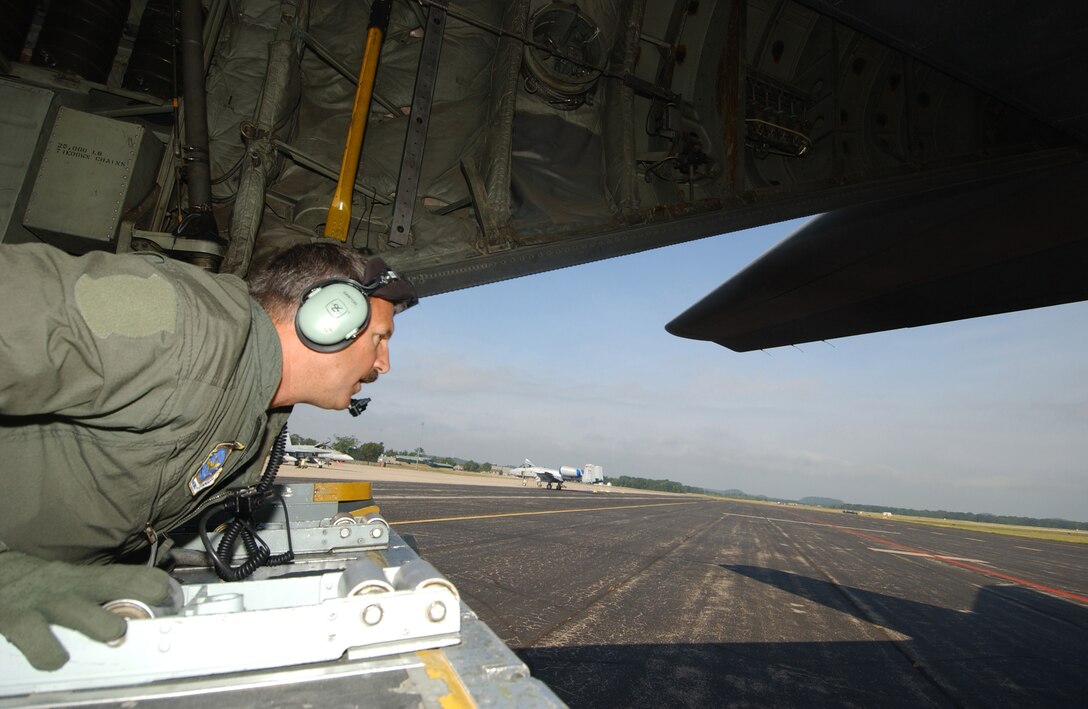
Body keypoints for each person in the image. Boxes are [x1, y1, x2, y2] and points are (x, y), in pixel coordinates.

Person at [0, 240, 416, 671]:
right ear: (329, 317)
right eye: (380, 339)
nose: (384, 364)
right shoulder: (183, 327)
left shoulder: (252, 412)